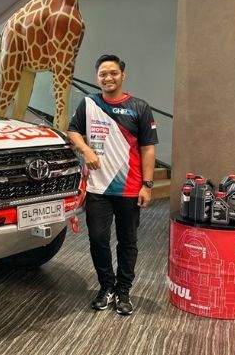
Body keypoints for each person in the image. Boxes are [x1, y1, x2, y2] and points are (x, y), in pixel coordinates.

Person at [67, 54, 157, 316]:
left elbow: (148, 149)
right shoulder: (89, 103)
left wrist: (147, 185)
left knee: (128, 242)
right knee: (98, 239)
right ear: (97, 77)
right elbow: (73, 130)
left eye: (113, 73)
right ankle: (106, 286)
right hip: (98, 189)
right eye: (103, 74)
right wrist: (86, 150)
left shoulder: (139, 107)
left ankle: (123, 291)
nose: (108, 78)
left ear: (122, 75)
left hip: (130, 188)